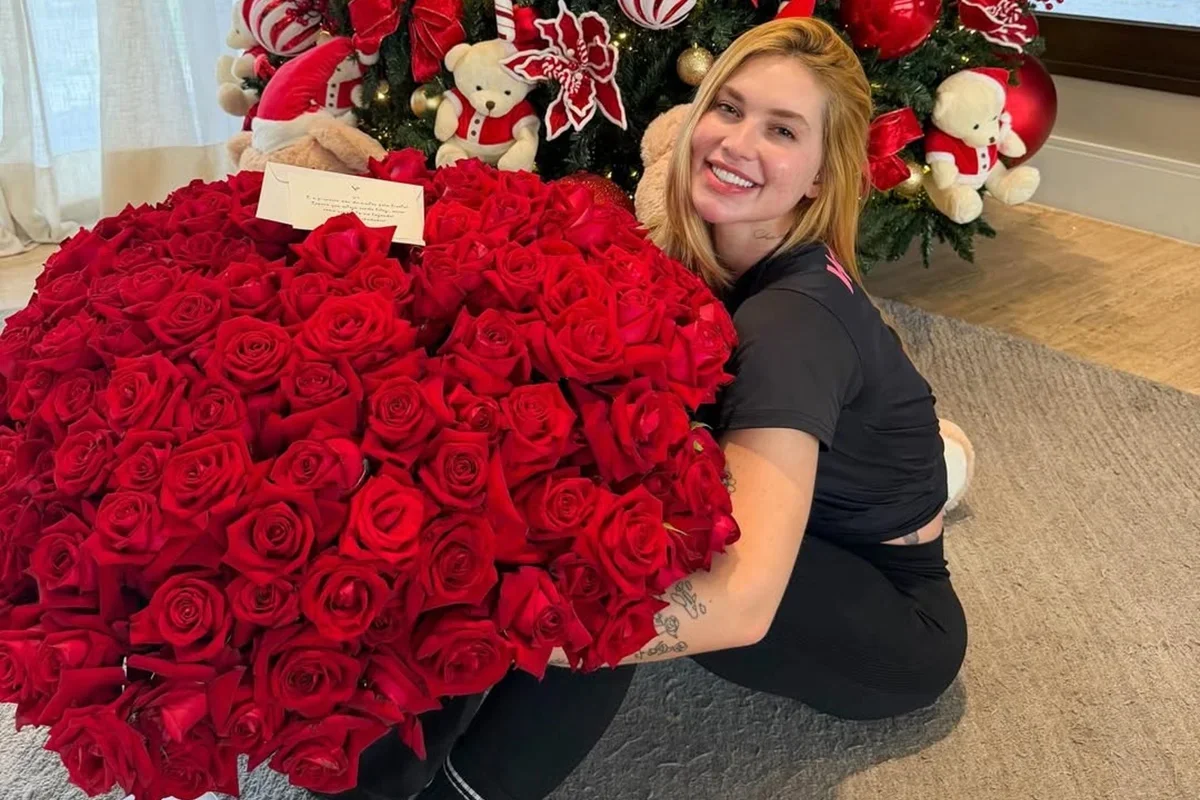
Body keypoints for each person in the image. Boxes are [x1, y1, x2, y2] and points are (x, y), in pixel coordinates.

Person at [334, 16, 972, 800]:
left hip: (896, 624)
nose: (736, 142)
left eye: (781, 130)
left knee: (616, 568)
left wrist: (493, 624)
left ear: (818, 175)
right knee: (571, 479)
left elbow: (741, 606)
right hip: (826, 509)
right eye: (728, 108)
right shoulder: (708, 251)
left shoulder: (789, 325)